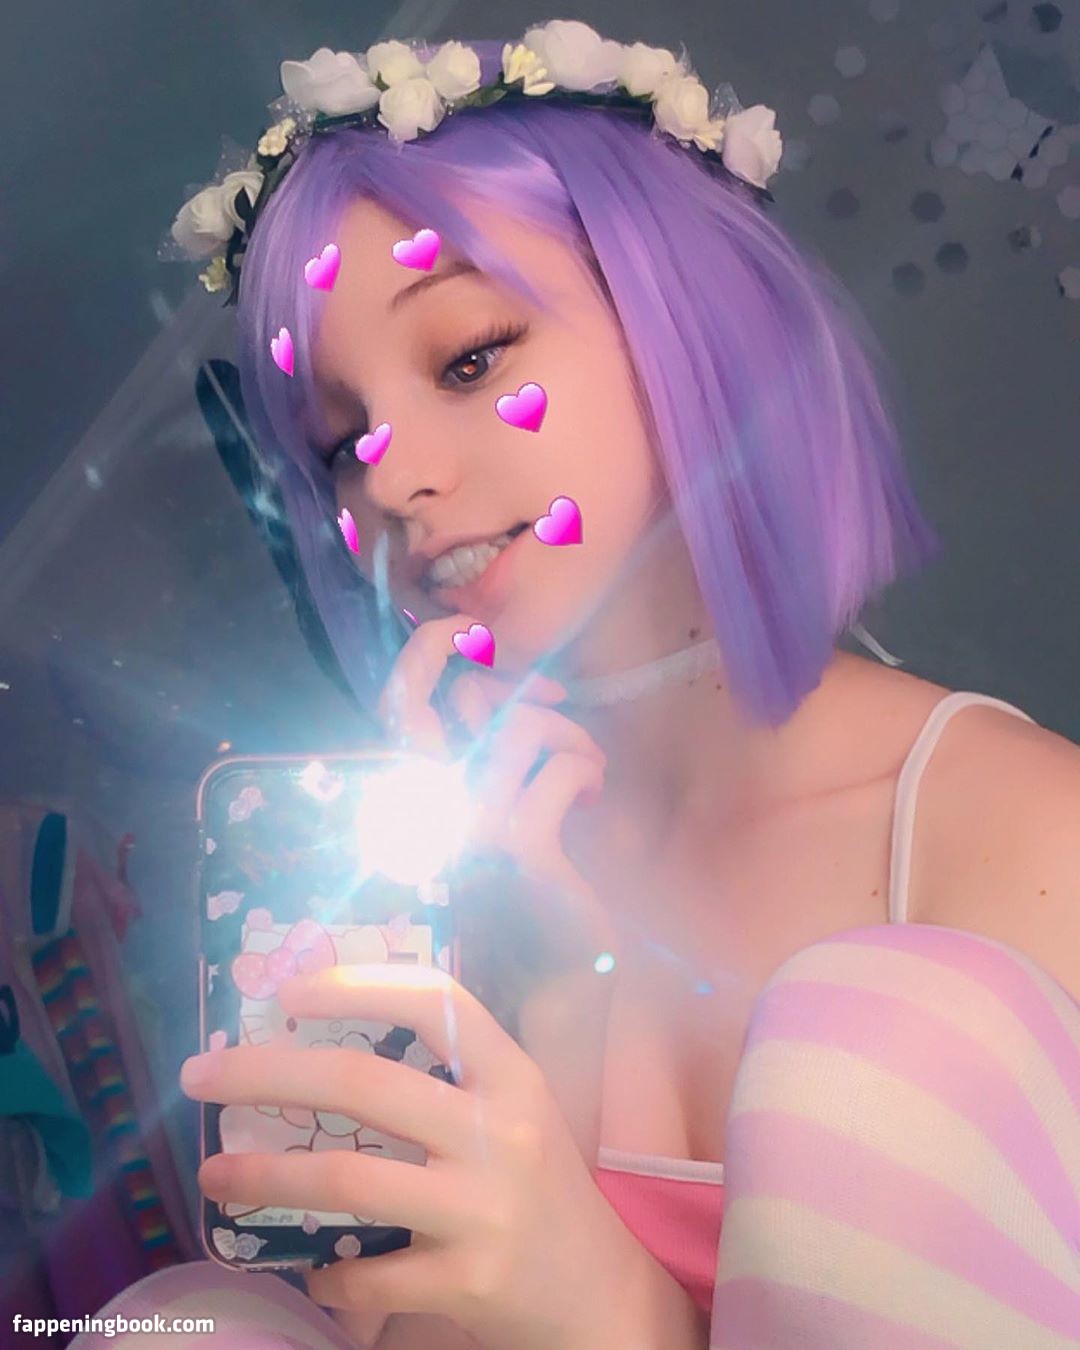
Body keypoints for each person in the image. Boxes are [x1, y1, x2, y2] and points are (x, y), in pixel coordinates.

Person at [76, 22, 1079, 1350]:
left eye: (471, 357)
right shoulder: (457, 895)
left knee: (888, 1040)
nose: (390, 478)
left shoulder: (1023, 833)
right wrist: (547, 1004)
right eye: (336, 442)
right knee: (192, 1328)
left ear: (688, 322)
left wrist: (608, 1304)